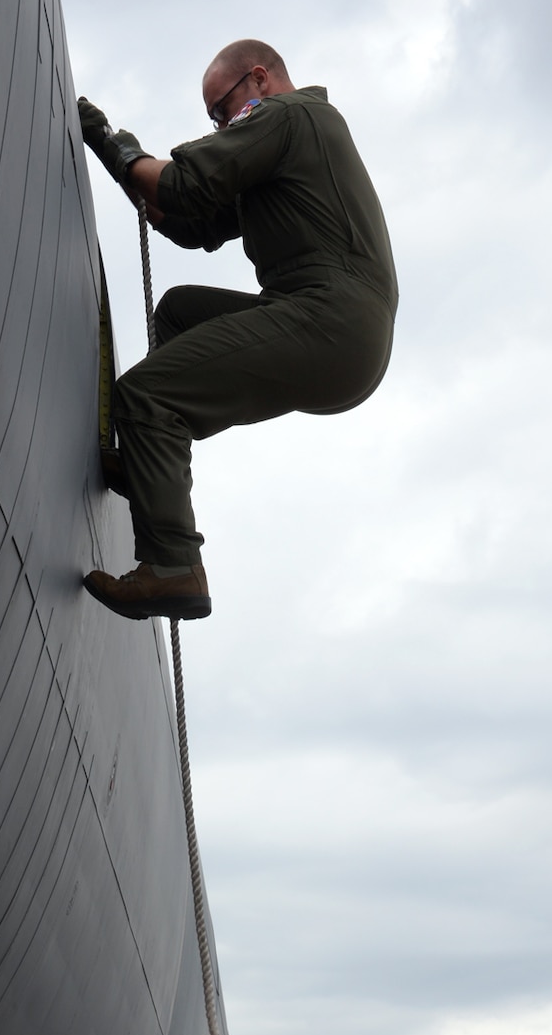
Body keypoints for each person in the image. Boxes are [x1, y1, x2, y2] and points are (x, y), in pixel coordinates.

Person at [78, 40, 397, 622]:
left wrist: (111, 142)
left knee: (146, 393)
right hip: (338, 327)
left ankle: (173, 567)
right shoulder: (290, 144)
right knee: (178, 311)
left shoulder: (289, 115)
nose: (221, 126)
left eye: (221, 111)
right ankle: (147, 458)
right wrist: (126, 167)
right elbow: (189, 220)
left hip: (330, 319)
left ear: (258, 79)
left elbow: (179, 185)